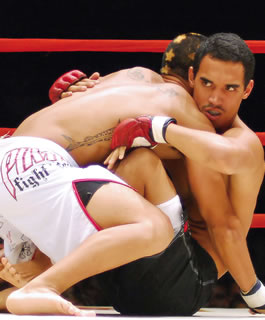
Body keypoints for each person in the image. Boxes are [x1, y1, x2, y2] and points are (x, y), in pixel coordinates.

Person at [3, 32, 265, 315]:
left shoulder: (233, 137)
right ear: (191, 78)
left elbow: (223, 221)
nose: (213, 98)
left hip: (186, 276)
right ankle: (41, 280)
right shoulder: (173, 109)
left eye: (229, 88)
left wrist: (158, 129)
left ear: (246, 89)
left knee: (140, 162)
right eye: (206, 83)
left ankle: (38, 277)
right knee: (138, 166)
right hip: (137, 269)